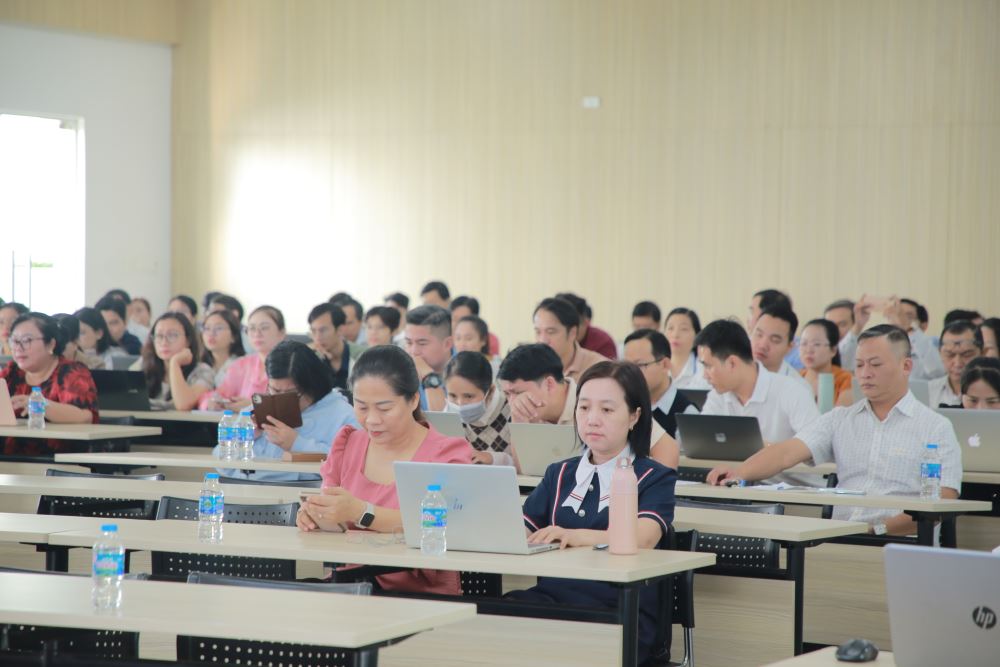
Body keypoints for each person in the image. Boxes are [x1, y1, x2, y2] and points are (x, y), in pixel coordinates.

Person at [706, 325, 962, 537]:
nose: (865, 374)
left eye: (875, 364)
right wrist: (739, 472)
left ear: (906, 366)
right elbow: (785, 453)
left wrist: (877, 530)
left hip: (900, 543)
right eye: (859, 365)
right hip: (840, 537)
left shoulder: (935, 427)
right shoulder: (841, 419)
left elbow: (943, 500)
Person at [511, 360, 676, 664]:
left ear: (634, 416)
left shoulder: (654, 477)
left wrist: (574, 535)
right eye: (584, 408)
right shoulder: (559, 473)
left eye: (607, 410)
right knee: (488, 618)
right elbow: (518, 532)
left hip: (621, 610)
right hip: (552, 600)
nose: (592, 419)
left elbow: (642, 539)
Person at [297, 345, 472, 594]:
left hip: (419, 595)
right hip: (352, 585)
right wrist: (316, 515)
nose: (371, 420)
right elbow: (335, 515)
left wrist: (362, 512)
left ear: (413, 400)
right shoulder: (348, 443)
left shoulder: (446, 454)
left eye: (384, 408)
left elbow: (447, 525)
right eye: (361, 407)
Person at [696, 319, 820, 485]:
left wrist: (764, 448)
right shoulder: (717, 395)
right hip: (737, 487)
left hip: (793, 491)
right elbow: (700, 442)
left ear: (732, 362)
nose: (704, 375)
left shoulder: (792, 390)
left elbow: (815, 446)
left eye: (708, 366)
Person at [216, 341, 358, 481]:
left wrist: (296, 444)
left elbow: (351, 467)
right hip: (243, 491)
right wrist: (244, 438)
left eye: (291, 394)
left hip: (301, 494)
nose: (280, 399)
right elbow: (220, 461)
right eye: (275, 390)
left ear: (312, 386)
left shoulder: (343, 415)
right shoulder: (255, 412)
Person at [1, 313, 99, 456]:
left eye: (27, 340)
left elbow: (84, 417)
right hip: (9, 459)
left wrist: (39, 405)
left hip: (59, 460)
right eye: (14, 341)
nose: (18, 348)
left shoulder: (71, 372)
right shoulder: (12, 372)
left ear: (51, 344)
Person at [622, 329, 696, 469]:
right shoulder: (623, 407)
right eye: (627, 366)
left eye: (640, 365)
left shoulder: (687, 414)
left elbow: (686, 467)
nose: (631, 373)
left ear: (665, 364)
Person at [206, 305, 286, 411]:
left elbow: (292, 404)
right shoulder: (241, 365)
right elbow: (217, 394)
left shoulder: (292, 364)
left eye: (264, 327)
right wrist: (213, 402)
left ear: (282, 333)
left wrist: (254, 405)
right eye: (252, 328)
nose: (257, 333)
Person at [444, 351, 516, 467]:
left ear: (490, 391)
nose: (460, 404)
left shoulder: (511, 409)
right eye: (452, 395)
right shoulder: (447, 414)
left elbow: (526, 462)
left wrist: (492, 458)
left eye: (468, 396)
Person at [140, 312, 215, 411]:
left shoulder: (203, 371)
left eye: (172, 335)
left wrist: (175, 363)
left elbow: (183, 405)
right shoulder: (143, 367)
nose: (164, 342)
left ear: (188, 340)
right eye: (159, 336)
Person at [497, 344, 577, 425]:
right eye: (507, 394)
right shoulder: (510, 415)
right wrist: (519, 427)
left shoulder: (583, 406)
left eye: (519, 393)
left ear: (549, 385)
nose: (512, 404)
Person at [534, 297, 606, 383]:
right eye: (538, 332)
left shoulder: (599, 369)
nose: (542, 340)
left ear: (572, 333)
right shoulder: (530, 365)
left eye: (551, 332)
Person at [403, 305, 453, 411]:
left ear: (447, 344)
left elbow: (442, 420)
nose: (414, 351)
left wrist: (429, 378)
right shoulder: (401, 372)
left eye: (422, 343)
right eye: (409, 342)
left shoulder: (469, 372)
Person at [750, 306, 812, 391]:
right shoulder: (734, 373)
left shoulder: (798, 388)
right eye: (759, 335)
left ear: (789, 347)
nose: (762, 345)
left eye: (774, 340)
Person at [798, 319, 854, 407]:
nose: (808, 350)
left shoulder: (845, 379)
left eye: (816, 344)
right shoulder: (794, 377)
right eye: (804, 343)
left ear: (833, 350)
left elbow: (841, 414)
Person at [928, 320, 983, 408]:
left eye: (966, 355)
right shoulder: (928, 391)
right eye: (949, 355)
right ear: (940, 353)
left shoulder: (994, 390)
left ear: (982, 353)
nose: (957, 363)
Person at [555, 292, 617, 360]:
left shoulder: (603, 343)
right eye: (552, 330)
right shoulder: (549, 340)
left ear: (586, 322)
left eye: (570, 327)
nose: (566, 333)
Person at [307, 302, 353, 392]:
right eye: (313, 331)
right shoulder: (311, 356)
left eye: (323, 330)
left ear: (340, 330)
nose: (317, 337)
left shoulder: (359, 355)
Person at [664, 307, 710, 389]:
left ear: (697, 335)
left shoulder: (706, 369)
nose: (675, 335)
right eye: (670, 328)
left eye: (684, 329)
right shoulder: (655, 366)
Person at [199, 309, 245, 388]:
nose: (211, 333)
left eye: (219, 328)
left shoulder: (243, 365)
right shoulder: (199, 366)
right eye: (207, 328)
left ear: (233, 336)